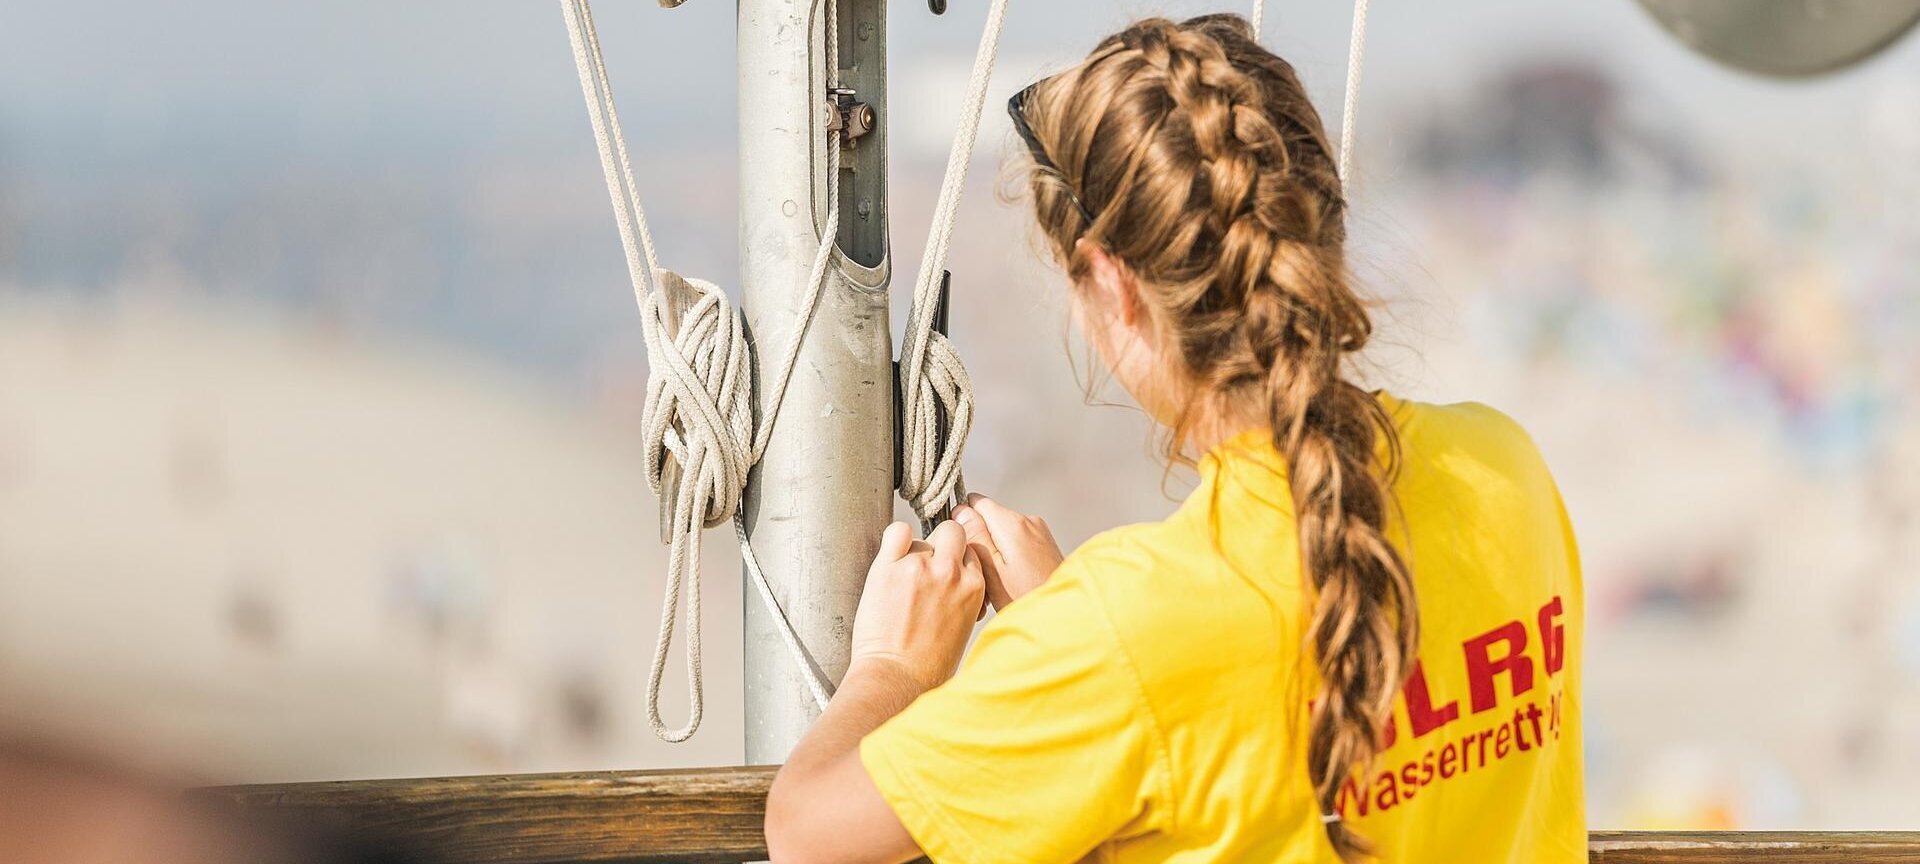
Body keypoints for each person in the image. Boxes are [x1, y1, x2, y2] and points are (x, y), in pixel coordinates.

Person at [765, 13, 1584, 863]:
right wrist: (1065, 633)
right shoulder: (1504, 468)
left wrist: (896, 667)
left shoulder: (1124, 631)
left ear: (1112, 285)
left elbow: (805, 833)